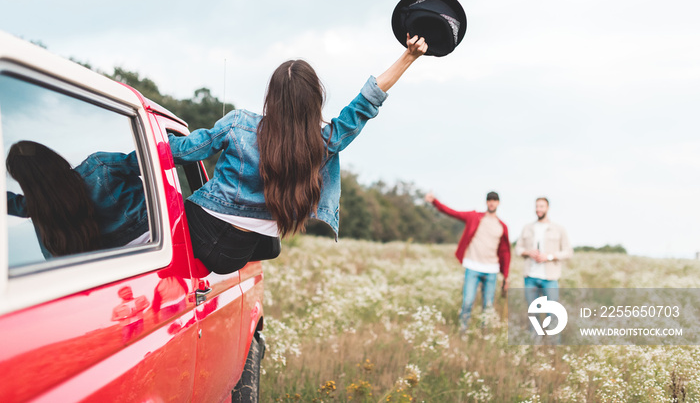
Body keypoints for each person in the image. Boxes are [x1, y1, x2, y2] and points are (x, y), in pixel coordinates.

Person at [169, 34, 428, 274]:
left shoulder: (239, 123)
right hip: (242, 250)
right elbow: (366, 102)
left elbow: (182, 151)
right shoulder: (322, 141)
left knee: (140, 195)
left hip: (204, 227)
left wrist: (140, 146)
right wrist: (409, 56)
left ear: (272, 95)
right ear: (316, 98)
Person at [6, 141, 150, 258]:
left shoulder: (39, 208)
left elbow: (13, 203)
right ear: (52, 158)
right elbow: (153, 155)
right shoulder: (98, 167)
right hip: (159, 245)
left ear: (24, 182)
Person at [425, 191, 511, 331]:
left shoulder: (502, 226)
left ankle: (485, 334)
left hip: (491, 270)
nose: (491, 202)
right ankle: (462, 331)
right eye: (489, 200)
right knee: (467, 302)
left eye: (494, 200)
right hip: (473, 266)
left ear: (498, 203)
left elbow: (505, 252)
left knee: (488, 306)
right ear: (486, 202)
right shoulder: (474, 217)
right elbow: (452, 212)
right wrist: (435, 202)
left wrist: (506, 276)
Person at [514, 197, 572, 305]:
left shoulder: (558, 229)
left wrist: (549, 257)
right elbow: (517, 249)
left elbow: (568, 251)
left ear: (547, 208)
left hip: (550, 279)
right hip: (530, 278)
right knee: (532, 314)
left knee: (552, 312)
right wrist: (528, 252)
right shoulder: (527, 228)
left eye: (541, 206)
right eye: (536, 206)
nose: (538, 209)